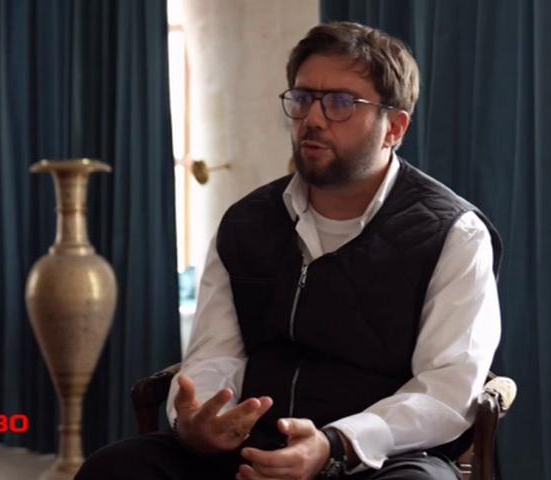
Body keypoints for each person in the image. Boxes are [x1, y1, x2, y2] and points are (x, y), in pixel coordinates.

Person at [77, 21, 502, 480]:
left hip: (379, 459)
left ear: (394, 128)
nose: (312, 119)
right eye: (302, 98)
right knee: (114, 468)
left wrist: (337, 443)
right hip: (251, 447)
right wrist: (200, 420)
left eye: (341, 102)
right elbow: (217, 354)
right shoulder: (246, 223)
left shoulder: (454, 233)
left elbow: (446, 387)